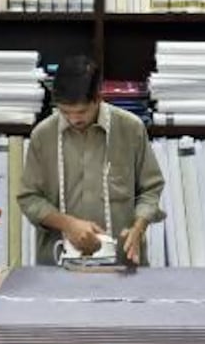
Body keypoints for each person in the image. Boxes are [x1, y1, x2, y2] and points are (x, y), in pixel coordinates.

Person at [17, 55, 165, 266]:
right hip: (59, 267)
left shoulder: (130, 129)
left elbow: (150, 189)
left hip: (122, 264)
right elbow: (29, 198)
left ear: (98, 97)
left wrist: (138, 227)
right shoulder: (43, 135)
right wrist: (67, 224)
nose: (74, 119)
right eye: (65, 112)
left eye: (82, 111)